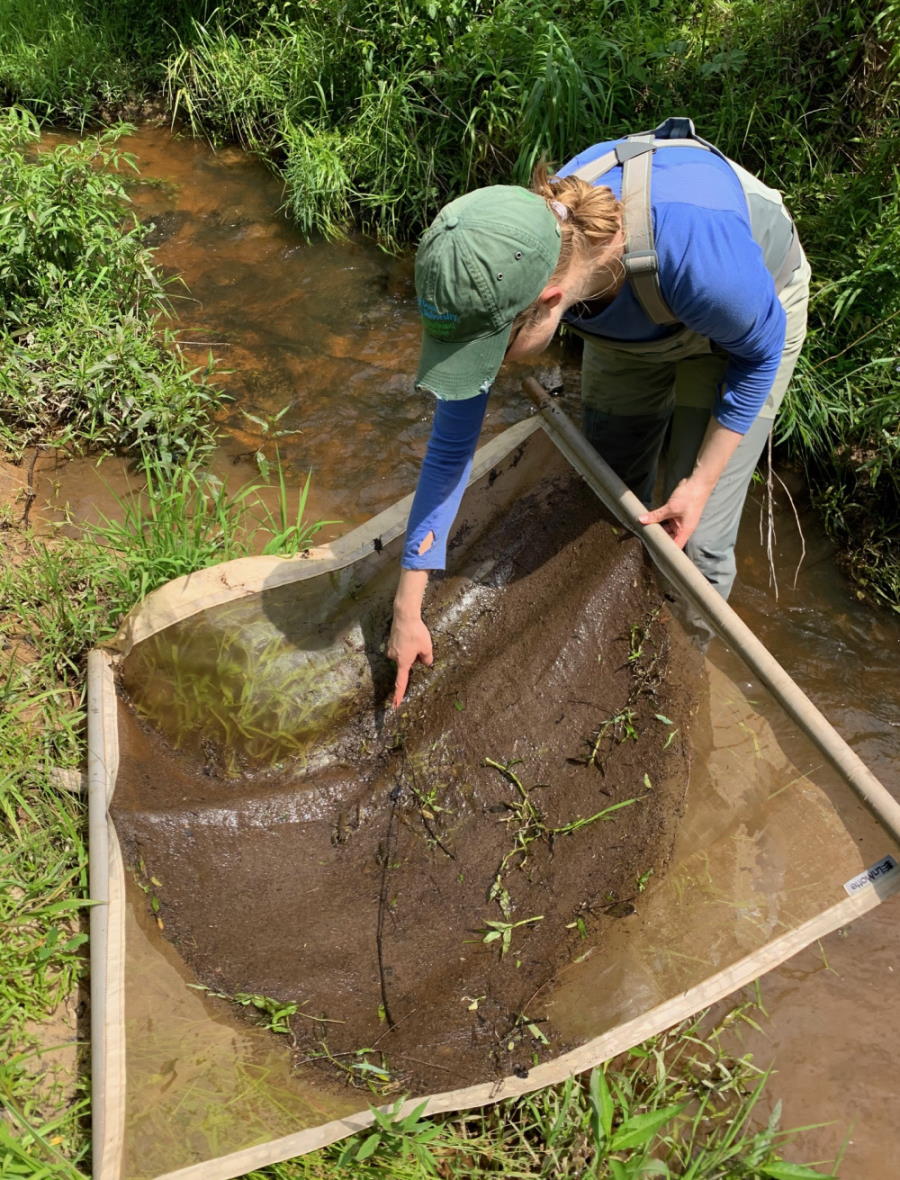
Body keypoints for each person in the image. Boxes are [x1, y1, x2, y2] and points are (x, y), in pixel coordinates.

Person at [387, 120, 810, 706]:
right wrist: (408, 608)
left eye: (495, 349)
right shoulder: (509, 258)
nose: (492, 364)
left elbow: (760, 352)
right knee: (608, 491)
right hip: (631, 317)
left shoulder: (695, 253)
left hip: (743, 324)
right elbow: (451, 449)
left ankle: (668, 697)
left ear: (550, 305)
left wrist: (698, 483)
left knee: (698, 547)